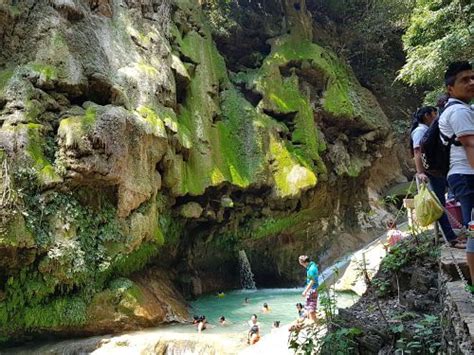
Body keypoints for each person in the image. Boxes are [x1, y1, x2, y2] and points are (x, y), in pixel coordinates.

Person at [438, 61, 474, 287]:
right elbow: (471, 145)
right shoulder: (460, 111)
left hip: (461, 176)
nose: (471, 83)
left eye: (473, 78)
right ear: (450, 89)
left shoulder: (454, 109)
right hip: (467, 175)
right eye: (465, 80)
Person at [410, 105, 462, 247]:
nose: (436, 116)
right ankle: (451, 239)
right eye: (435, 113)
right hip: (431, 174)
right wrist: (420, 172)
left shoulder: (425, 130)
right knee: (439, 205)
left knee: (445, 201)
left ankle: (455, 233)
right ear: (427, 115)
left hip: (437, 172)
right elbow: (417, 152)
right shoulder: (420, 131)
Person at [298, 255, 319, 322]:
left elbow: (312, 281)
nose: (303, 266)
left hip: (312, 289)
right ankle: (313, 321)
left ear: (304, 262)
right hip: (314, 289)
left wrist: (305, 291)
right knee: (309, 306)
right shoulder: (313, 265)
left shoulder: (311, 269)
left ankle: (313, 322)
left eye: (302, 264)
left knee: (311, 307)